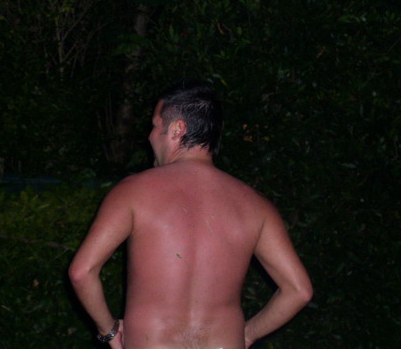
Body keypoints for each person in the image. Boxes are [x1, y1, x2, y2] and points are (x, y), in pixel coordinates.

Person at [69, 80, 312, 349]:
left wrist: (109, 331)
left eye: (154, 126)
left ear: (177, 129)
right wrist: (248, 333)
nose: (149, 136)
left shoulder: (133, 191)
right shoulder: (256, 205)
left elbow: (82, 272)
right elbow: (299, 290)